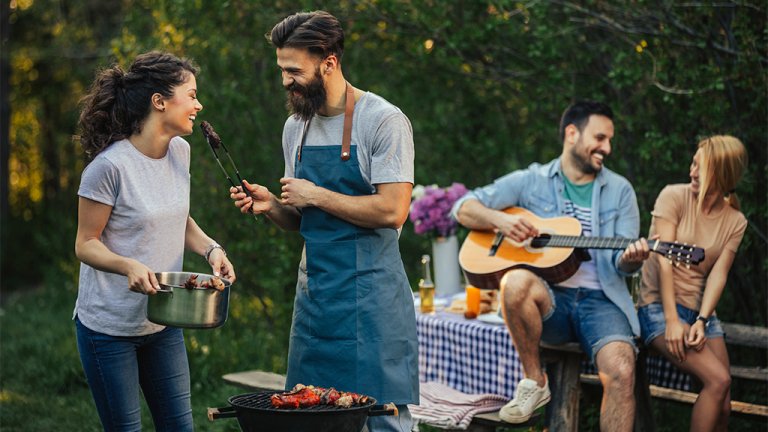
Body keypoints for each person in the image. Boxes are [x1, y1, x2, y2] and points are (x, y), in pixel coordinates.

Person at [229, 10, 418, 432]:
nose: (285, 80)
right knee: (309, 419)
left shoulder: (383, 121)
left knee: (382, 419)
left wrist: (315, 194)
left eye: (293, 70)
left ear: (329, 63)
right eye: (281, 70)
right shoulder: (296, 127)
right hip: (316, 300)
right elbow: (304, 221)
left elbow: (392, 210)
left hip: (372, 301)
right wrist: (272, 207)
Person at [452, 100, 651, 431]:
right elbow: (462, 207)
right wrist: (500, 220)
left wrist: (631, 259)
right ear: (572, 133)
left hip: (602, 301)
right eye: (600, 138)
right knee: (514, 281)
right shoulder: (531, 180)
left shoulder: (620, 191)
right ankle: (534, 380)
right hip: (550, 301)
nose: (607, 148)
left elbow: (622, 263)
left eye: (610, 140)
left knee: (621, 370)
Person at [74, 51, 235, 431]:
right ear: (159, 101)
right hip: (108, 328)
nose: (199, 104)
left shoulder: (181, 151)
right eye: (191, 95)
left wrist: (212, 249)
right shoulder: (108, 168)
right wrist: (127, 264)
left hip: (163, 322)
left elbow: (175, 215)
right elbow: (85, 243)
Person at [637, 135, 747, 431]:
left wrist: (701, 319)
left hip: (701, 314)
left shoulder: (736, 221)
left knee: (723, 404)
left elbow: (718, 275)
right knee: (718, 379)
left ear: (722, 174)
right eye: (693, 163)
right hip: (659, 307)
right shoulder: (673, 196)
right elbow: (664, 258)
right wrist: (673, 320)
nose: (692, 172)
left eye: (702, 167)